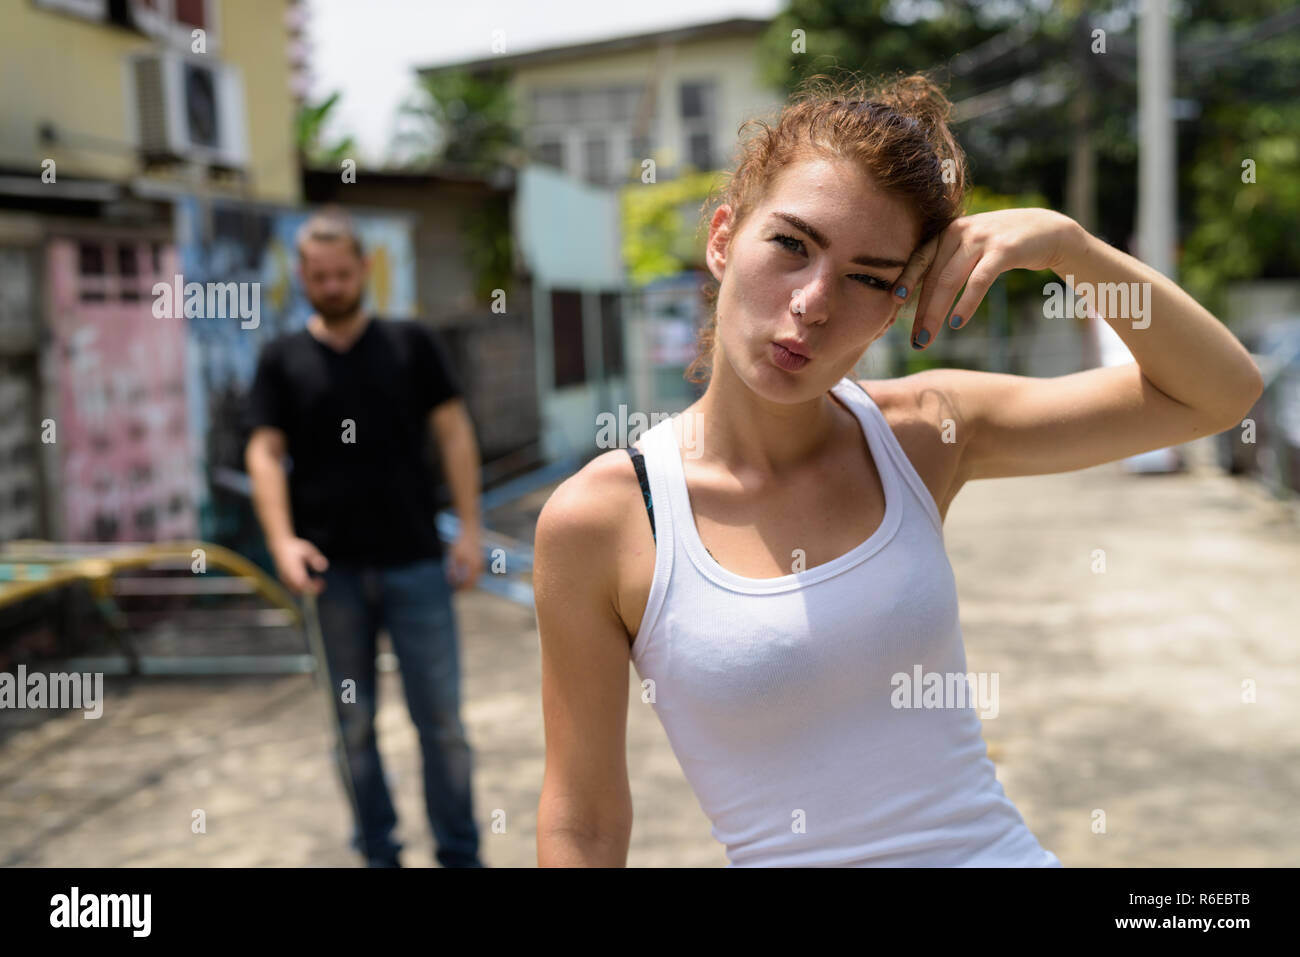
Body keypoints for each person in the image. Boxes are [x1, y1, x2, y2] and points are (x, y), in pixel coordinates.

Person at [533, 72, 1263, 867]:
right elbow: (583, 822)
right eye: (791, 244)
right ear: (721, 238)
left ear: (897, 305)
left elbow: (1219, 393)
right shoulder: (605, 518)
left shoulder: (924, 432)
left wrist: (1071, 250)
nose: (813, 302)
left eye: (868, 277)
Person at [244, 207, 486, 868]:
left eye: (341, 272)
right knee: (351, 728)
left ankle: (460, 853)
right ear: (302, 276)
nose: (330, 284)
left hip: (416, 565)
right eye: (317, 275)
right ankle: (378, 851)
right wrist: (282, 540)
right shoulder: (281, 359)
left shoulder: (411, 344)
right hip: (330, 575)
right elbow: (264, 453)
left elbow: (454, 432)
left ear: (363, 270)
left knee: (442, 724)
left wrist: (470, 529)